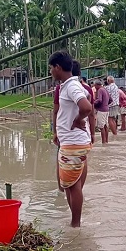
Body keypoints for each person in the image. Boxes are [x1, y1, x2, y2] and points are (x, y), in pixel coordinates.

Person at [49, 51, 92, 228]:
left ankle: (75, 225)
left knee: (71, 185)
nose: (50, 71)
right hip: (75, 142)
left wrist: (77, 120)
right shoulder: (72, 85)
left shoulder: (71, 87)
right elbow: (86, 100)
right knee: (71, 184)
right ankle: (75, 222)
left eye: (51, 68)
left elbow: (86, 106)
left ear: (58, 68)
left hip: (73, 143)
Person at [73, 61, 95, 145]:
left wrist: (55, 132)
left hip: (66, 136)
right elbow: (91, 114)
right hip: (84, 133)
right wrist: (92, 133)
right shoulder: (87, 89)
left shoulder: (60, 88)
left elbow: (56, 111)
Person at [93, 80, 110, 144]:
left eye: (95, 86)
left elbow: (99, 100)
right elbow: (110, 99)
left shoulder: (100, 90)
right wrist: (106, 104)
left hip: (101, 110)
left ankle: (103, 142)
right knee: (105, 126)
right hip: (106, 109)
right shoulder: (105, 89)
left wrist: (93, 103)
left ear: (97, 85)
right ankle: (106, 141)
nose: (94, 87)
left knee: (101, 127)